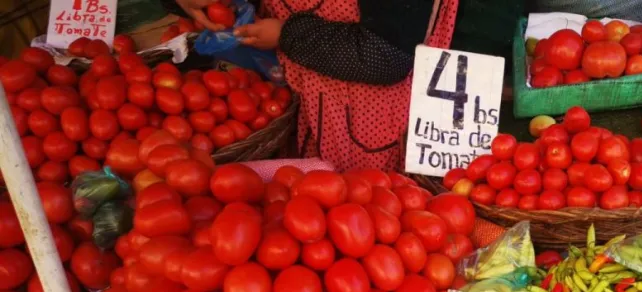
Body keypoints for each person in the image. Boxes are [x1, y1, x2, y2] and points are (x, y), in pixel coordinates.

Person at [173, 0, 458, 170]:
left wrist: (286, 34)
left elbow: (385, 56)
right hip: (300, 97)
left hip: (371, 114)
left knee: (365, 206)